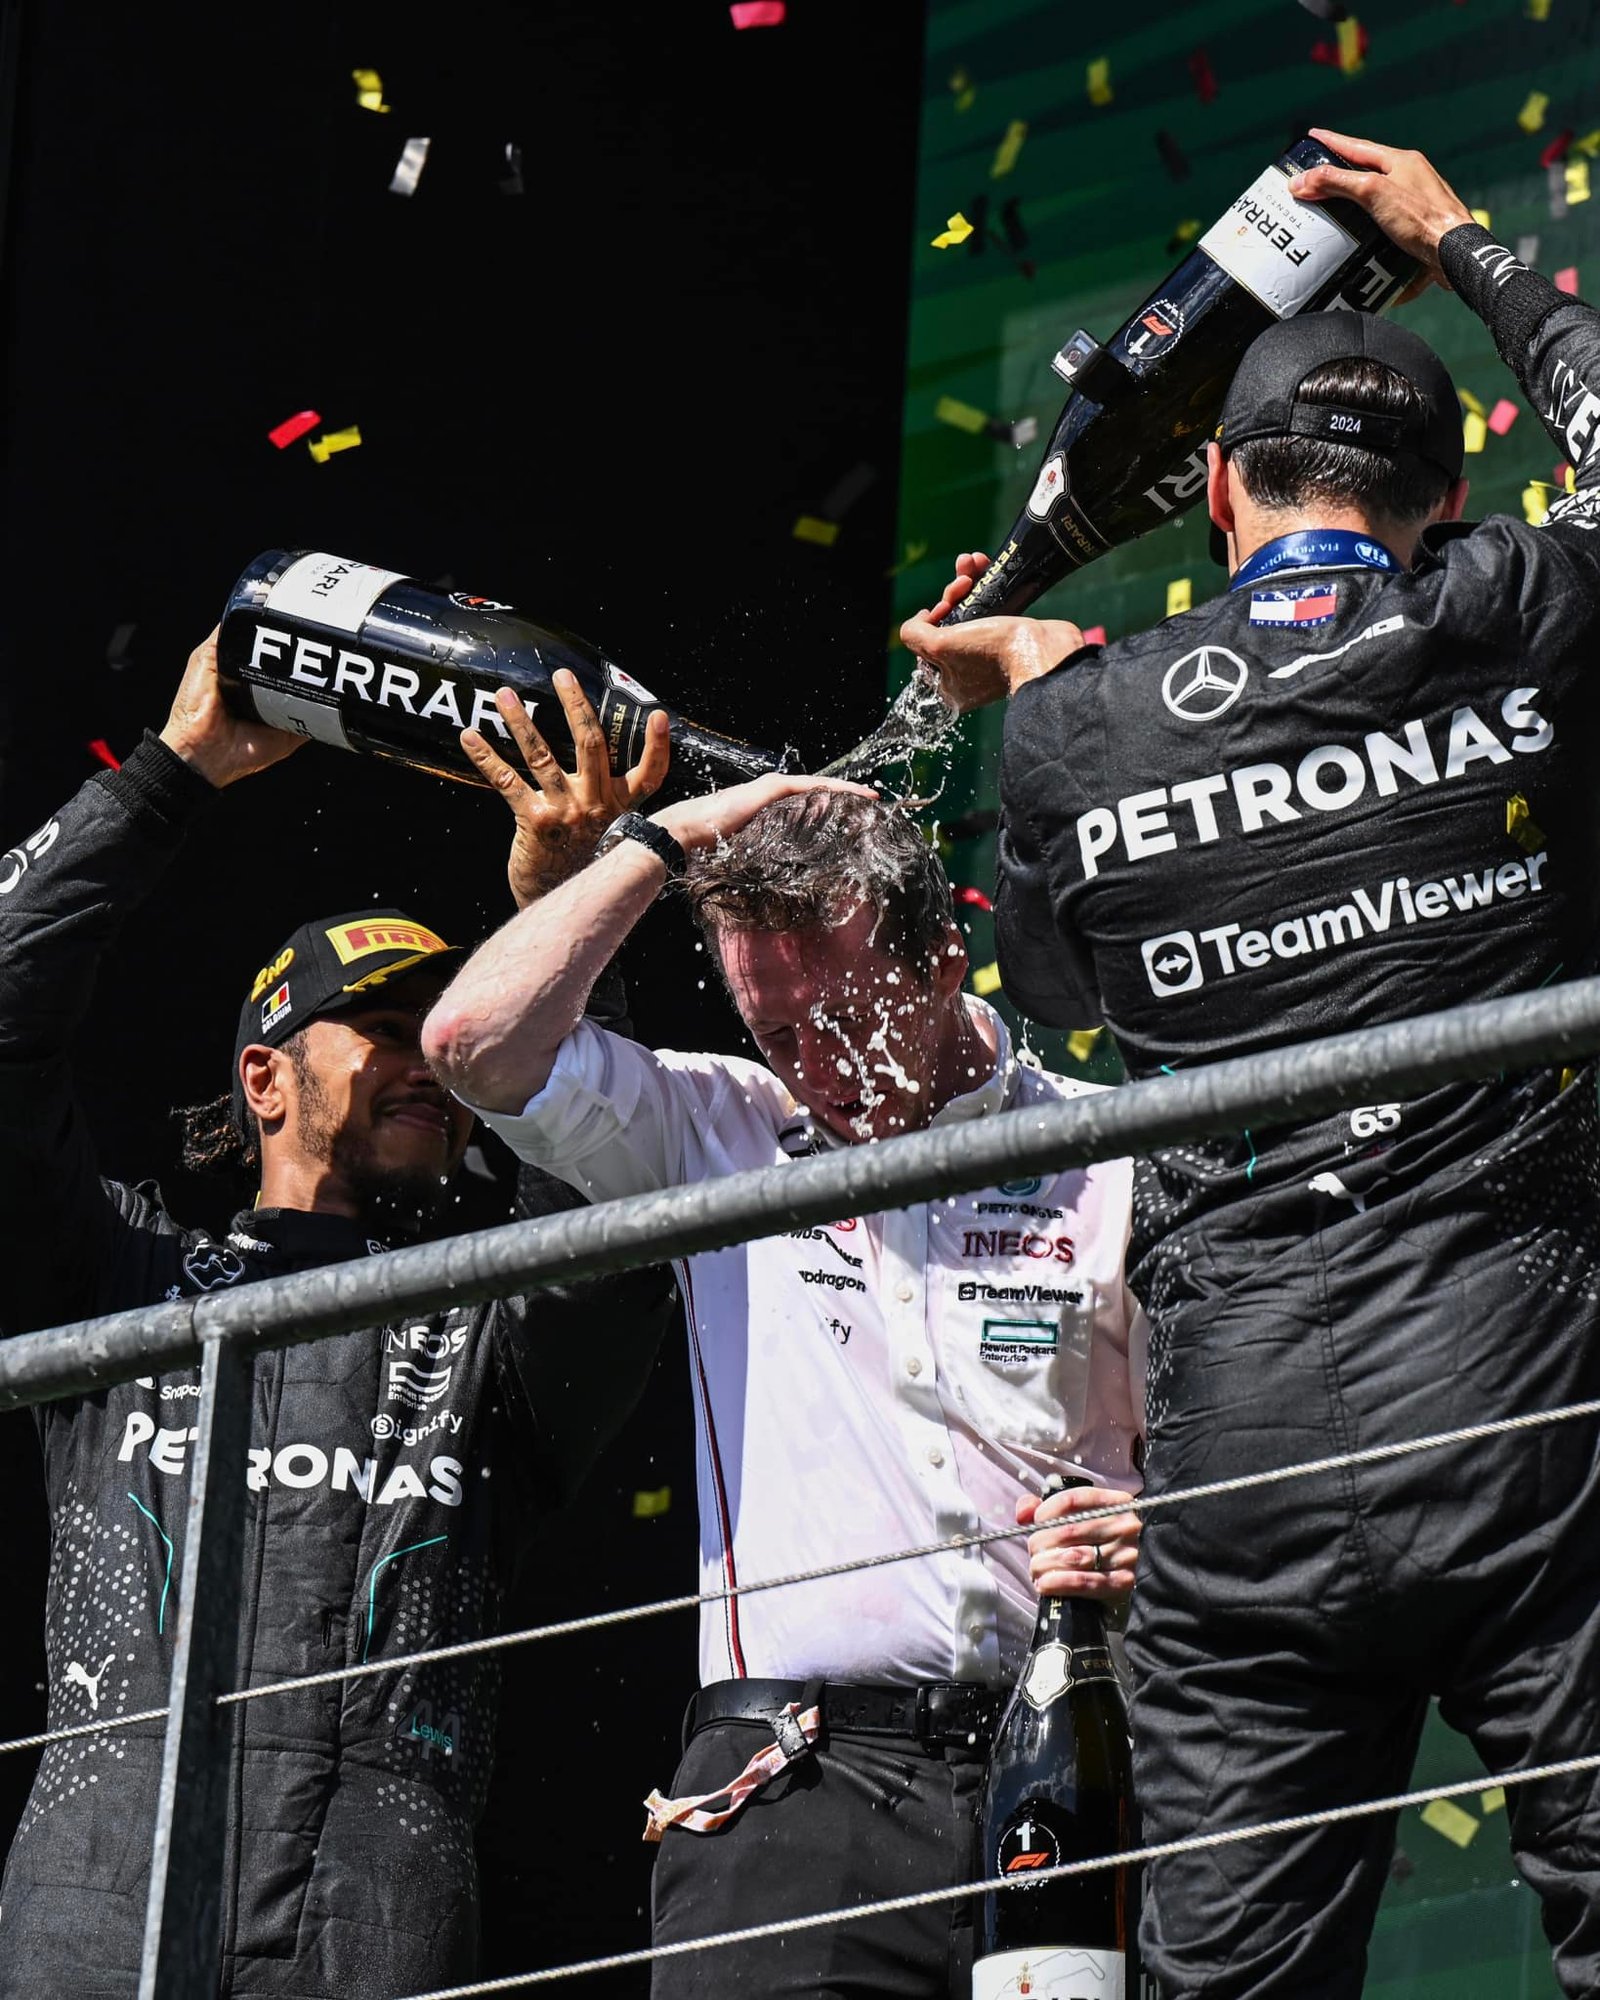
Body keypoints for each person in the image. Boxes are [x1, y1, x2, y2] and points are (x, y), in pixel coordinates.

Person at [901, 129, 1600, 1999]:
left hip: (1239, 1462)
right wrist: (1463, 242)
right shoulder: (1519, 606)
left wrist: (1038, 687)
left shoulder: (1079, 728)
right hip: (1525, 1404)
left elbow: (1065, 989)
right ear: (1450, 498)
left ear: (1211, 486)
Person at [0, 635, 679, 1999]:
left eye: (449, 1033)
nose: (432, 1060)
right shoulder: (119, 1278)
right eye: (383, 1026)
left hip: (374, 1913)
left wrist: (568, 916)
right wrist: (167, 778)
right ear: (266, 1079)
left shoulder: (491, 1329)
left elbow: (610, 1175)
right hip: (95, 1890)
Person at [422, 770, 1147, 1998]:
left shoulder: (1106, 1151)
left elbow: (1235, 1453)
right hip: (796, 1781)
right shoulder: (718, 1128)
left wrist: (1155, 1529)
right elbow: (473, 1043)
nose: (815, 1065)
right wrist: (665, 837)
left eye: (841, 1016)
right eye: (775, 1032)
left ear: (941, 963)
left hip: (1076, 1757)